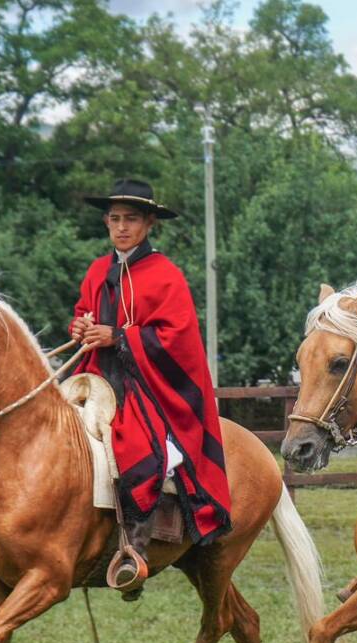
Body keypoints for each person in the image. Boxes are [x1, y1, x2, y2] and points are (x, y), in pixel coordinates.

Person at [69, 179, 232, 593]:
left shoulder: (166, 276)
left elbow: (176, 337)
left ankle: (134, 550)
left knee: (137, 449)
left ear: (149, 223)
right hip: (97, 377)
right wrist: (82, 326)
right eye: (115, 219)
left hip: (149, 385)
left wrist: (119, 337)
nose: (122, 227)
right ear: (107, 222)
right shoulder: (95, 271)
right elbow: (83, 311)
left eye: (132, 220)